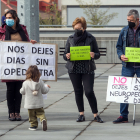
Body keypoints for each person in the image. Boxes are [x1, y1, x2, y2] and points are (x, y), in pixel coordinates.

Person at [63, 17, 103, 123]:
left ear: (84, 28)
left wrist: (94, 55)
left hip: (87, 68)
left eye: (79, 28)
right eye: (75, 28)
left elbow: (98, 54)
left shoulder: (91, 38)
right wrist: (67, 55)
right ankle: (81, 114)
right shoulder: (70, 38)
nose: (77, 30)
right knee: (78, 91)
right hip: (73, 68)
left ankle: (96, 115)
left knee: (89, 91)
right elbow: (64, 54)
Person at [0, 10, 37, 121]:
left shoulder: (23, 29)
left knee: (19, 89)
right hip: (8, 65)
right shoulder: (2, 30)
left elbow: (26, 44)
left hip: (21, 64)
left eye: (10, 17)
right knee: (10, 89)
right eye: (6, 18)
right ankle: (11, 112)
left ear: (15, 18)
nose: (8, 20)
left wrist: (32, 43)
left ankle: (17, 112)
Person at [113, 9, 140, 124]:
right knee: (124, 91)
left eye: (131, 20)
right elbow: (118, 47)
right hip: (127, 66)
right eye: (128, 20)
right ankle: (123, 116)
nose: (129, 22)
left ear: (138, 20)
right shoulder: (124, 31)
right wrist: (121, 55)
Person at [20, 65, 50, 131]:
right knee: (41, 113)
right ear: (38, 73)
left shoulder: (25, 83)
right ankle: (43, 119)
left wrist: (21, 89)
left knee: (31, 116)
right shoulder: (40, 82)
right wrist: (47, 87)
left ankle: (33, 125)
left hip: (30, 103)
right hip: (39, 103)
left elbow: (22, 92)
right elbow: (44, 91)